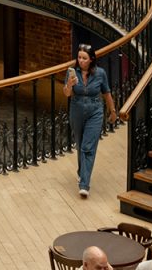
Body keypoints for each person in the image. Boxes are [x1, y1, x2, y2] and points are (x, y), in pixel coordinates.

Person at [63, 42, 113, 197]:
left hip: (95, 110)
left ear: (91, 59)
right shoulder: (72, 73)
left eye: (84, 58)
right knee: (80, 144)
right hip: (77, 109)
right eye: (79, 57)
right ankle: (81, 171)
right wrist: (69, 85)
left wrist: (113, 111)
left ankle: (84, 184)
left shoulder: (100, 73)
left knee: (88, 146)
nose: (81, 61)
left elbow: (106, 93)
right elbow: (66, 94)